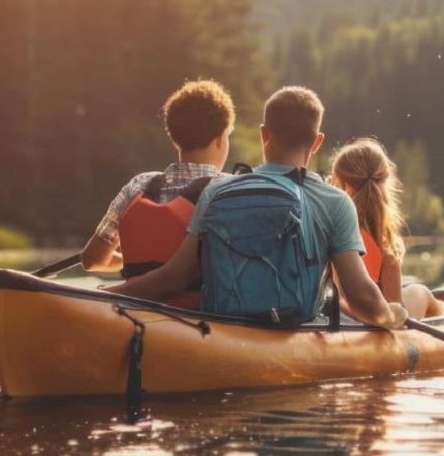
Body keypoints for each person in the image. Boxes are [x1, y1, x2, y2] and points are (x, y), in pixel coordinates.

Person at [109, 86, 407, 329]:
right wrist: (392, 315)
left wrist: (99, 296)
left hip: (222, 329)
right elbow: (360, 297)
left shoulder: (216, 190)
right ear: (316, 142)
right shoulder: (335, 201)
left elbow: (174, 276)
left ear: (264, 134)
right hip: (295, 333)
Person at [80, 79, 234, 308]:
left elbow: (92, 259)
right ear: (222, 138)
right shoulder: (229, 189)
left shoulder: (138, 185)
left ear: (174, 139)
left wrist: (134, 263)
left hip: (135, 314)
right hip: (203, 321)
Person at [329, 137, 444, 319]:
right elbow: (396, 316)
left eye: (333, 183)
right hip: (374, 324)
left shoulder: (331, 230)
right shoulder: (386, 249)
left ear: (347, 187)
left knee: (417, 291)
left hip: (340, 320)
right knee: (419, 291)